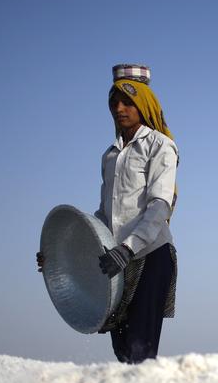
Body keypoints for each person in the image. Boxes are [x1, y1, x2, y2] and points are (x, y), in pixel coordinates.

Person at [38, 64, 179, 364]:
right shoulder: (110, 155)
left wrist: (128, 249)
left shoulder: (161, 147)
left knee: (141, 351)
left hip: (150, 256)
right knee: (123, 351)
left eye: (127, 102)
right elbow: (105, 215)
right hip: (116, 263)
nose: (119, 108)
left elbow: (159, 206)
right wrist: (61, 255)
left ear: (143, 104)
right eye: (114, 102)